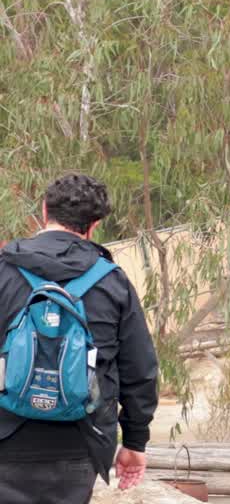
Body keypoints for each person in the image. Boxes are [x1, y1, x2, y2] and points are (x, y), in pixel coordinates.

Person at [0, 173, 158, 503]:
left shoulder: (3, 270)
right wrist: (134, 443)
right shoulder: (113, 283)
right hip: (80, 444)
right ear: (94, 225)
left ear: (44, 211)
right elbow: (139, 370)